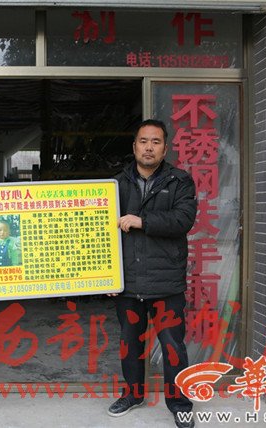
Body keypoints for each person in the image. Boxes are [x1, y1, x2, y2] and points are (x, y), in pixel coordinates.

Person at [107, 119, 197, 428]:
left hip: (166, 282)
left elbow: (183, 220)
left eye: (155, 142)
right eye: (143, 141)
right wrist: (108, 275)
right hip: (128, 282)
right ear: (134, 146)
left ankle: (179, 403)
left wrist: (141, 221)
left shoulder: (180, 181)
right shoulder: (115, 185)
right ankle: (133, 395)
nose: (149, 147)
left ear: (165, 148)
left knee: (173, 346)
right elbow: (102, 232)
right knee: (130, 344)